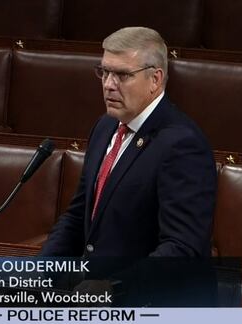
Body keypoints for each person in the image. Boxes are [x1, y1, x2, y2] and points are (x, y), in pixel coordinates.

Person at [40, 27, 217, 257]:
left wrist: (114, 287)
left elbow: (181, 249)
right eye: (104, 72)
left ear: (155, 79)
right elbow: (78, 216)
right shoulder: (105, 127)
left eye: (122, 75)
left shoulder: (182, 146)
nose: (108, 85)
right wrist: (42, 269)